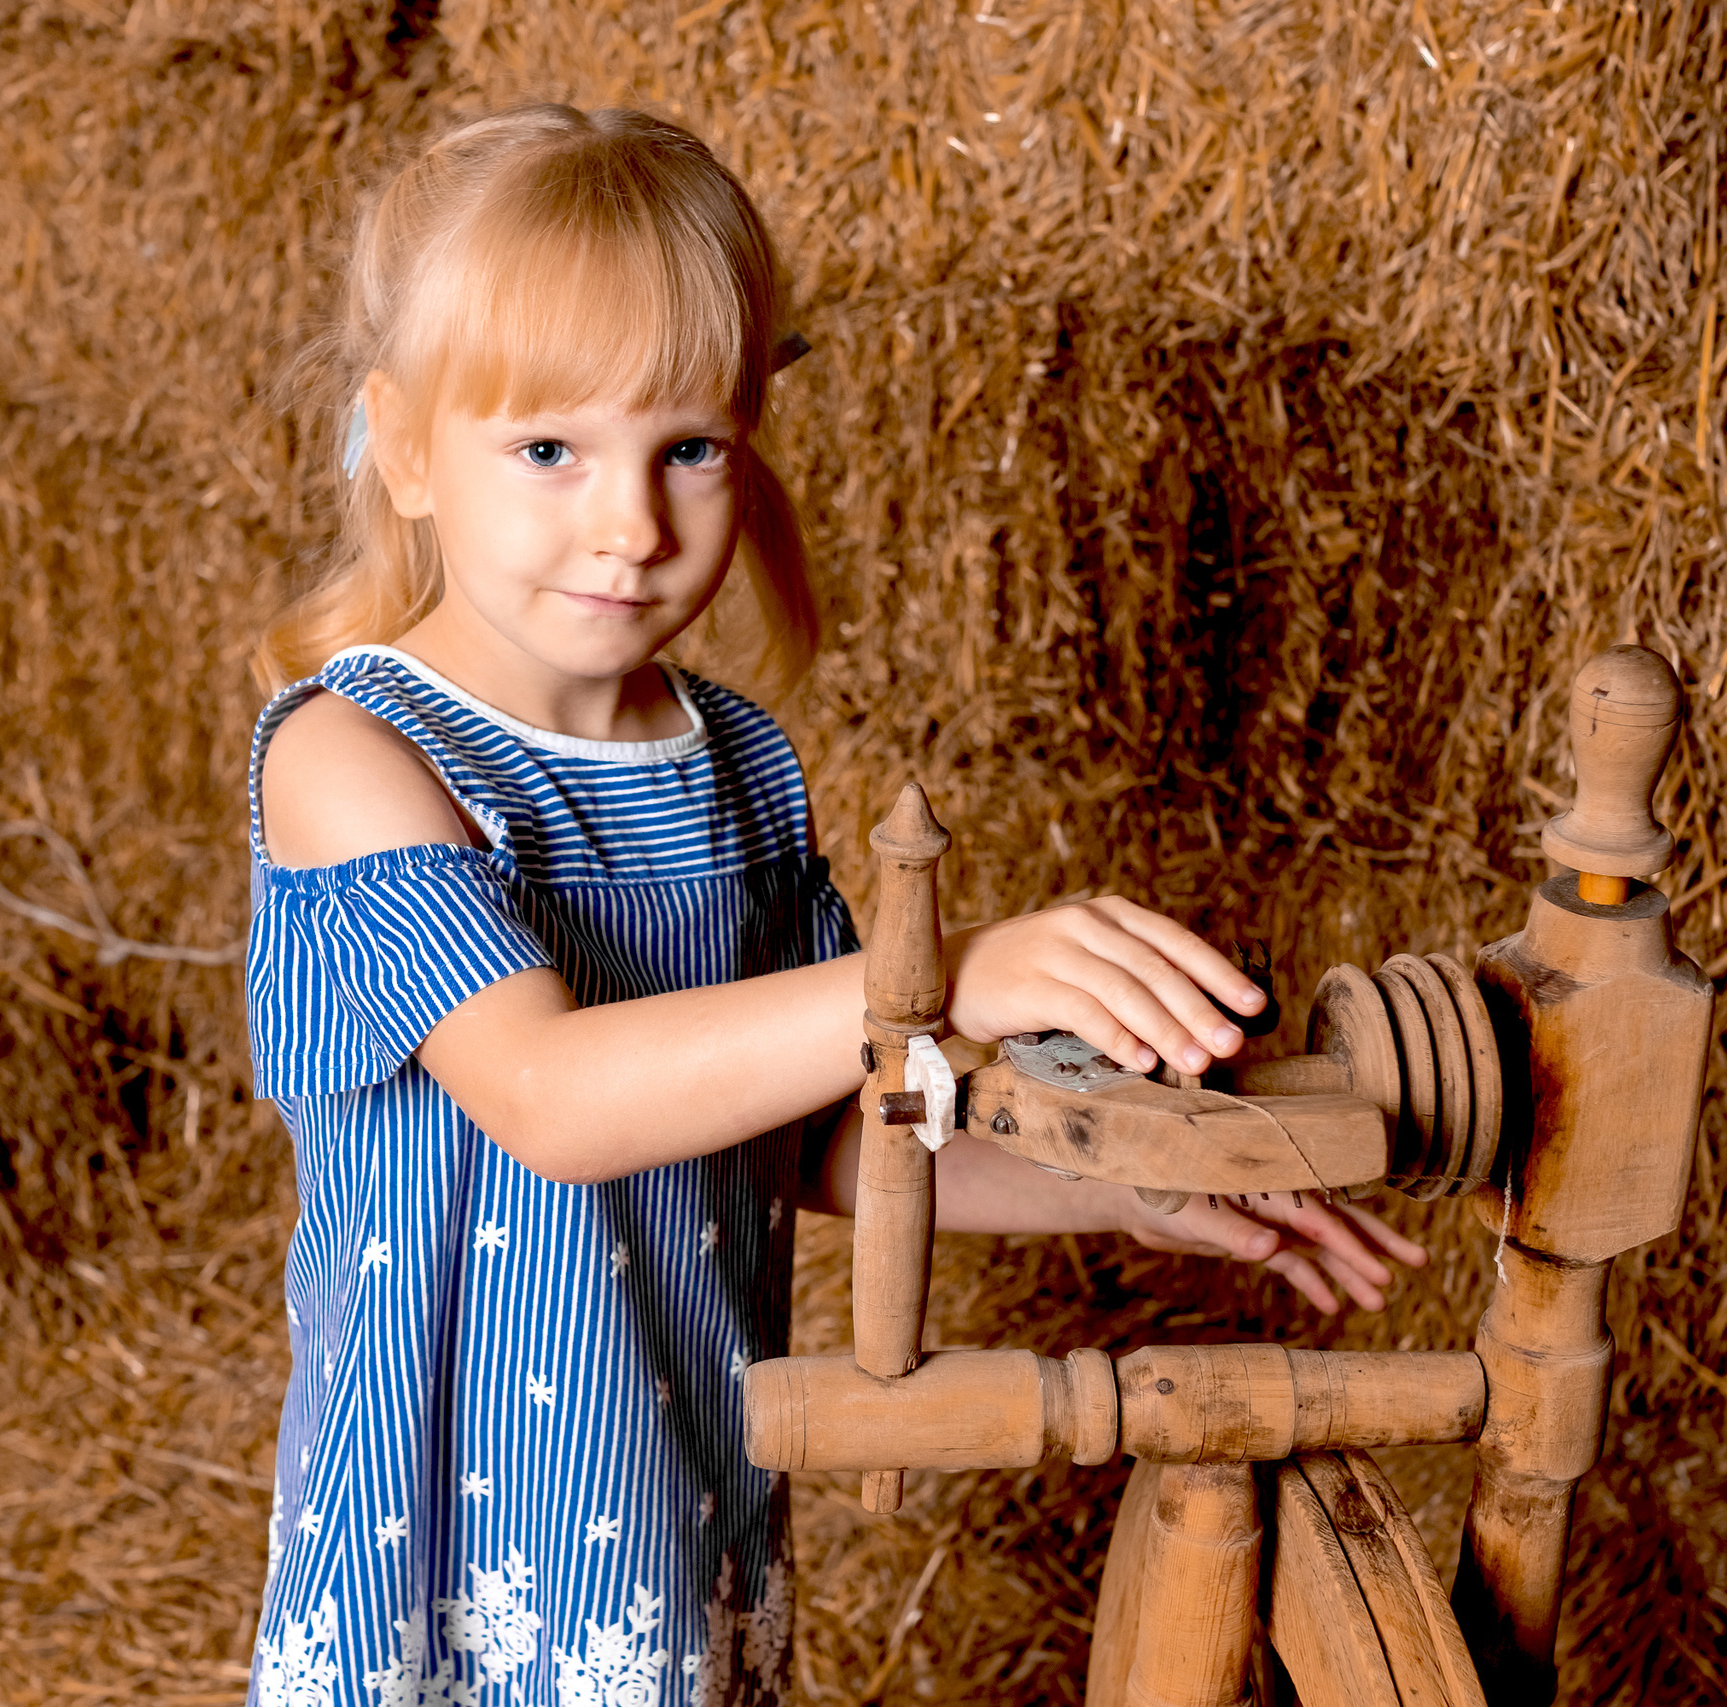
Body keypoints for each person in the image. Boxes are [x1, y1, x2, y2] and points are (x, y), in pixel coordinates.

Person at [243, 104, 1424, 1707]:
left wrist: (1123, 1185)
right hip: (447, 1533)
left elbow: (810, 1136)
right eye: (548, 451)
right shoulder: (355, 754)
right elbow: (555, 1098)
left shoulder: (732, 763)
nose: (632, 524)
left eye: (690, 449)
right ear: (402, 444)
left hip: (674, 1495)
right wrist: (951, 976)